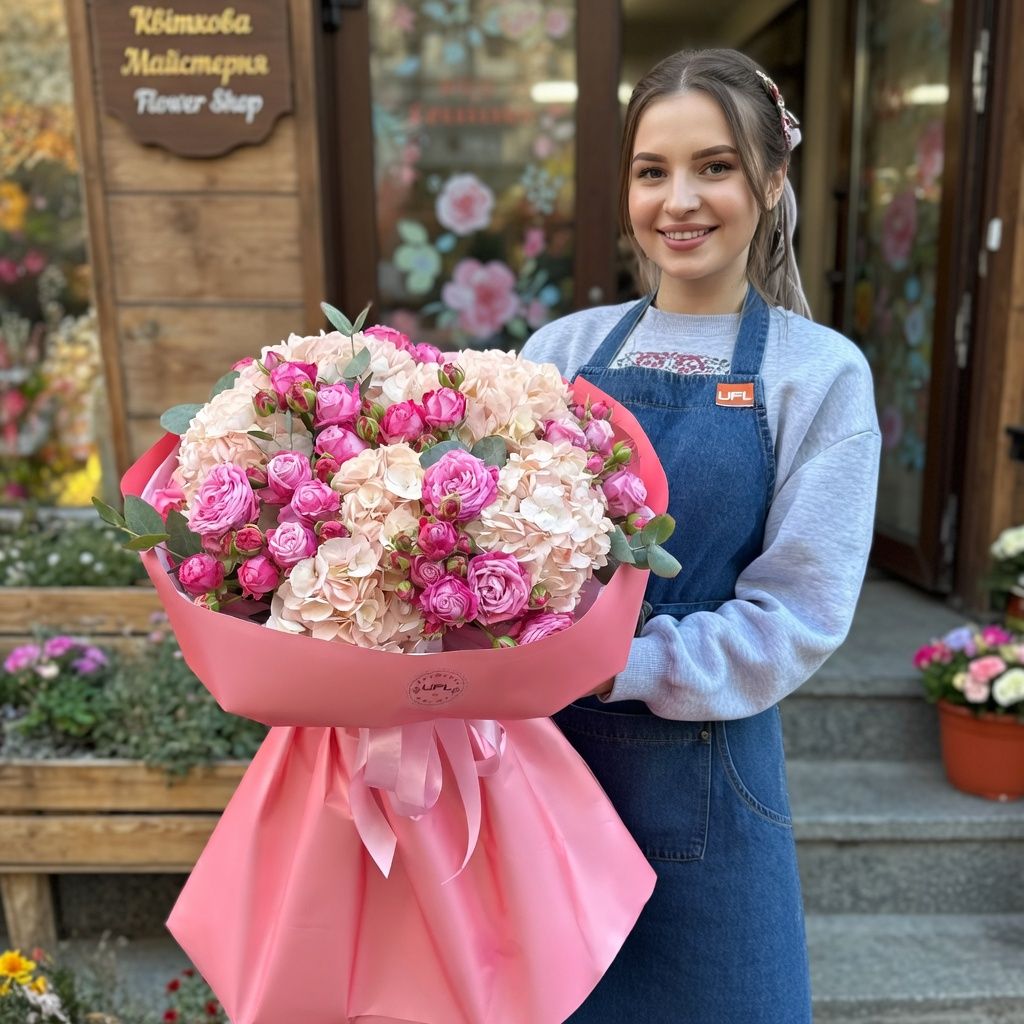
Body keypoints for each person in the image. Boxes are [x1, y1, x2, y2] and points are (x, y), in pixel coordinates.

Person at [520, 48, 881, 1024]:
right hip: (537, 772)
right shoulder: (557, 353)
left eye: (714, 167)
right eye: (653, 171)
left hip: (709, 783)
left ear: (771, 179)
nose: (678, 201)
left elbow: (799, 614)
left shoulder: (817, 374)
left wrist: (614, 661)